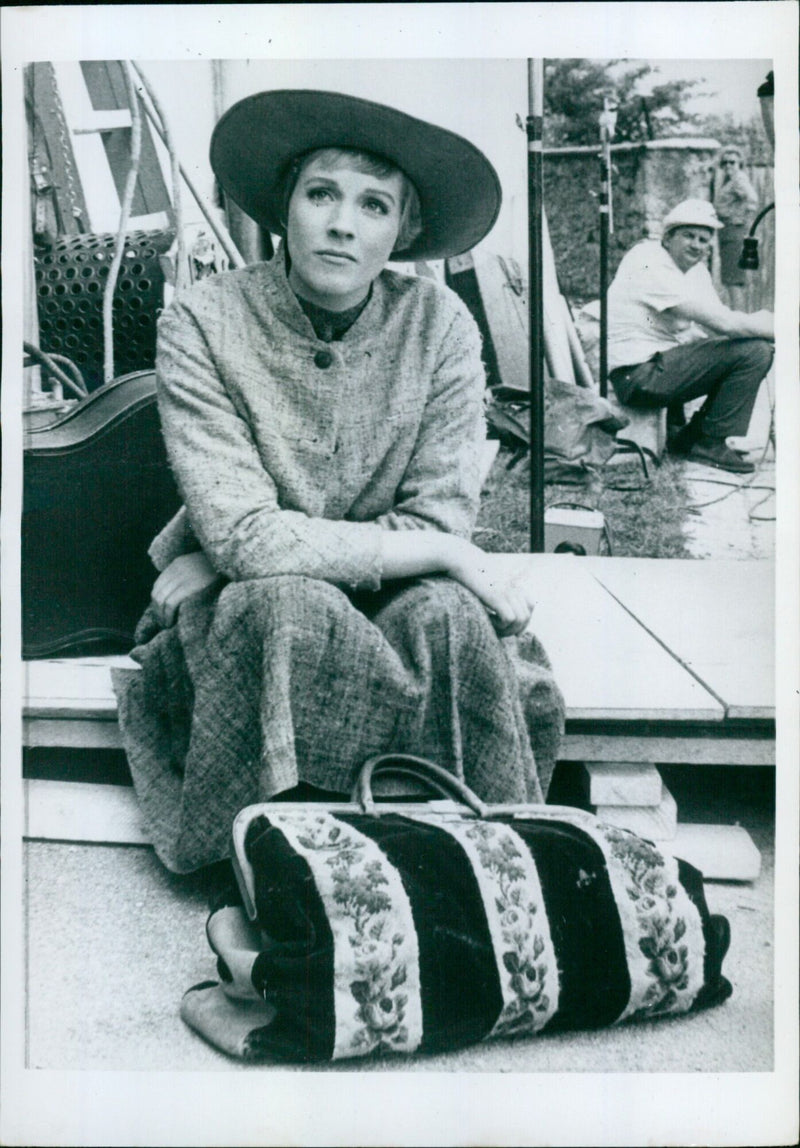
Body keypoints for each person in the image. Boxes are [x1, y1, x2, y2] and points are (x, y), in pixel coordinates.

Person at [111, 89, 564, 874]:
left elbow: (437, 515)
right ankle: (273, 882)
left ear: (406, 228)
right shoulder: (203, 319)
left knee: (450, 619)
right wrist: (236, 555)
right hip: (251, 600)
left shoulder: (442, 325)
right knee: (286, 605)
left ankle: (491, 872)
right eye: (321, 193)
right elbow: (245, 531)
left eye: (375, 204)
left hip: (391, 587)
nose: (343, 223)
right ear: (286, 207)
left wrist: (245, 551)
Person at [607, 198, 774, 475]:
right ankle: (710, 443)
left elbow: (715, 324)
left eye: (704, 239)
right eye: (688, 236)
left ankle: (692, 438)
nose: (696, 245)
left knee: (751, 346)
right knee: (754, 351)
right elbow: (725, 325)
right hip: (635, 375)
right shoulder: (648, 261)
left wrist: (758, 329)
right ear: (669, 237)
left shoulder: (696, 272)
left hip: (656, 367)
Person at [713, 146, 759, 310]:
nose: (728, 166)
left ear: (740, 163)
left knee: (734, 280)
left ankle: (738, 323)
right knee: (731, 279)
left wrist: (739, 219)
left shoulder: (739, 179)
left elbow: (752, 201)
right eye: (724, 163)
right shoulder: (729, 180)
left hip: (733, 231)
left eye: (732, 162)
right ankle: (738, 320)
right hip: (727, 232)